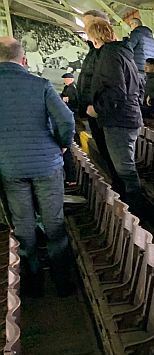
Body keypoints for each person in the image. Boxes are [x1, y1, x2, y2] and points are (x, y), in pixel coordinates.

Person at [0, 37, 76, 296]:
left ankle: (33, 286)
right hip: (46, 163)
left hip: (9, 168)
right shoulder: (41, 84)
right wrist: (62, 145)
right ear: (23, 59)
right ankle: (63, 283)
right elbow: (66, 120)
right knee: (54, 222)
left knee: (23, 226)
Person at [86, 19, 144, 216]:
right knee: (125, 166)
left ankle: (135, 211)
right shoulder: (122, 52)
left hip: (119, 119)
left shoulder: (110, 54)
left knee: (125, 169)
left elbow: (116, 91)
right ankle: (131, 207)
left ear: (94, 38)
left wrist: (97, 109)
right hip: (127, 116)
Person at [77, 9, 122, 192]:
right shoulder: (94, 51)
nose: (86, 28)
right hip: (95, 112)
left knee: (118, 162)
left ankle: (128, 204)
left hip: (106, 114)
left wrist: (97, 107)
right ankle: (119, 191)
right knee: (106, 155)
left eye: (89, 24)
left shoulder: (109, 53)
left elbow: (114, 87)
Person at [60, 72, 79, 189]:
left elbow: (70, 101)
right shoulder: (68, 88)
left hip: (71, 115)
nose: (64, 81)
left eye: (66, 79)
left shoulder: (72, 89)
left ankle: (71, 180)